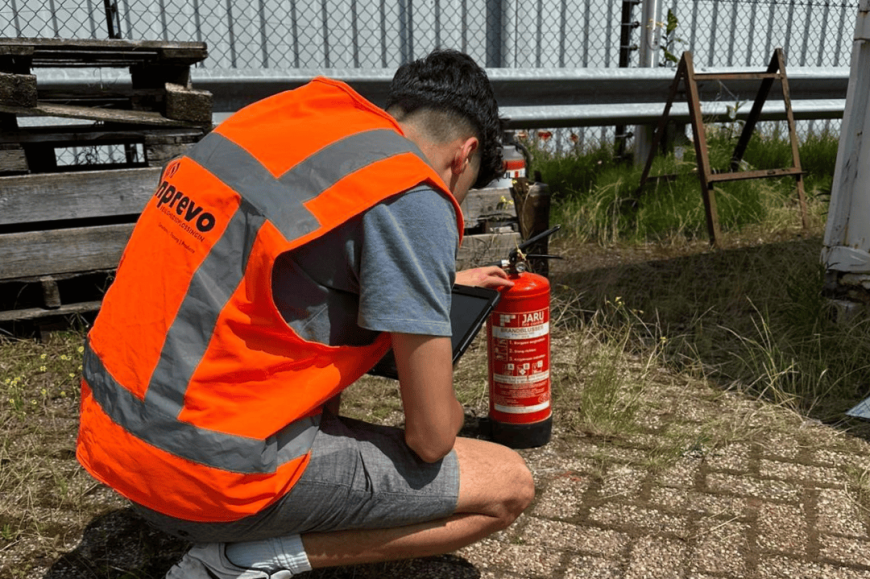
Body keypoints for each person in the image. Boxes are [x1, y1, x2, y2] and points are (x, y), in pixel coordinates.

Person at [76, 49, 535, 578]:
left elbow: (274, 255)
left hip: (119, 449)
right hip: (206, 478)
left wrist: (444, 282)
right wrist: (455, 414)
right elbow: (429, 439)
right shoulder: (414, 191)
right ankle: (245, 560)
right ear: (464, 155)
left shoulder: (294, 118)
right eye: (464, 187)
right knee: (507, 487)